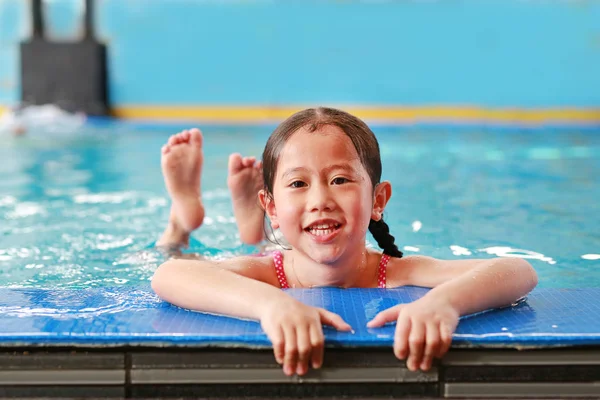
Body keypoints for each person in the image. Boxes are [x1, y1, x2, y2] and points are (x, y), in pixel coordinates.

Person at [152, 107, 538, 376]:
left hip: (281, 234)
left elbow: (518, 271)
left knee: (253, 247)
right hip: (270, 252)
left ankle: (250, 225)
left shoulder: (397, 271)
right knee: (176, 249)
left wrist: (444, 302)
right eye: (299, 184)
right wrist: (271, 305)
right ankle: (182, 221)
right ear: (273, 206)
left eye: (340, 180)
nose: (321, 200)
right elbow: (170, 274)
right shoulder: (268, 274)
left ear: (378, 200)